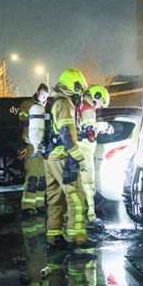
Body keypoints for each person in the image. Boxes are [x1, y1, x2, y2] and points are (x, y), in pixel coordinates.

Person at [44, 68, 97, 250]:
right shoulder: (65, 104)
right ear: (72, 86)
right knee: (76, 198)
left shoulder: (54, 102)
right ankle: (78, 239)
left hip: (51, 158)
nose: (81, 92)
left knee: (55, 200)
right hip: (63, 158)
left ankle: (54, 237)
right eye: (80, 87)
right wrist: (79, 159)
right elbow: (67, 136)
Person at [75, 83, 111, 232]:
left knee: (80, 185)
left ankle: (78, 215)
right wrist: (105, 126)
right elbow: (90, 129)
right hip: (84, 151)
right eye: (101, 102)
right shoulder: (88, 109)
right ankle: (89, 217)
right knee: (87, 184)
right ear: (96, 96)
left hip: (80, 150)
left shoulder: (81, 105)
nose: (100, 106)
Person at [19, 83, 50, 215]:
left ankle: (40, 203)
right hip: (31, 145)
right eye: (43, 95)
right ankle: (28, 206)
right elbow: (22, 121)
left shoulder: (46, 107)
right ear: (37, 92)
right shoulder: (27, 105)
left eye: (46, 96)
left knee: (42, 176)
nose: (44, 98)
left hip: (42, 145)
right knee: (32, 176)